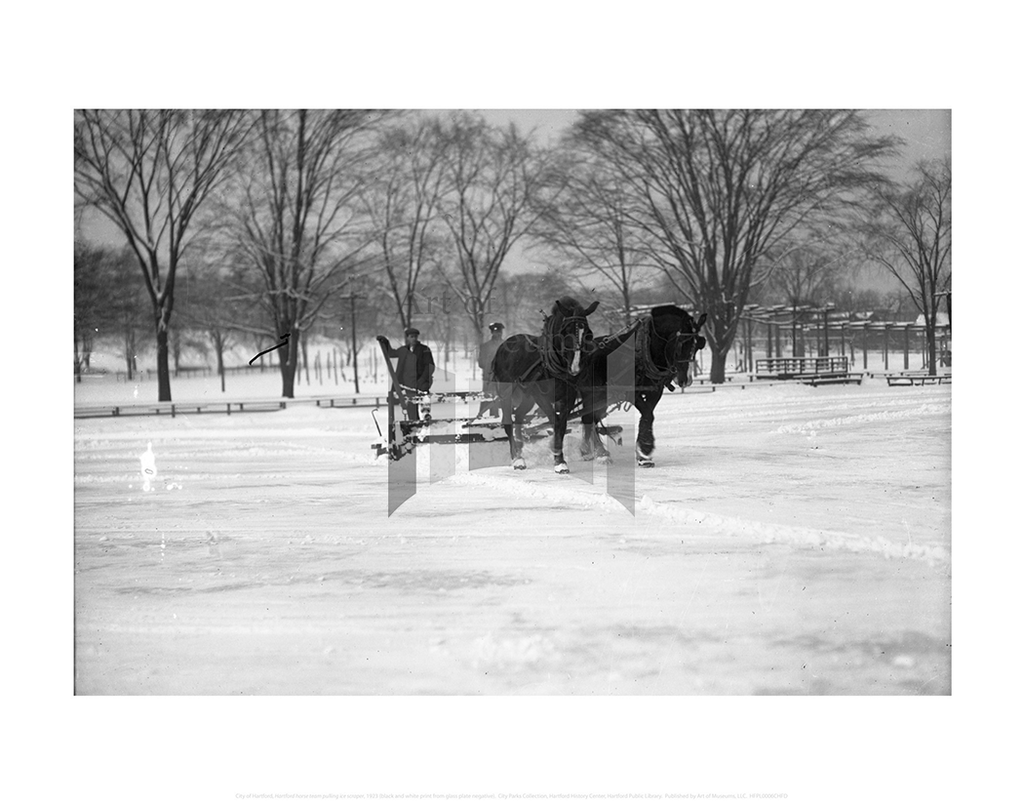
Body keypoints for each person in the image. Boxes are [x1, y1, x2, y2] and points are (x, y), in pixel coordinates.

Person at [377, 327, 435, 424]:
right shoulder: (403, 350)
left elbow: (430, 366)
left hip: (421, 384)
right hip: (408, 385)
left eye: (415, 337)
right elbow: (391, 353)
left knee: (424, 405)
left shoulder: (424, 350)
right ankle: (414, 429)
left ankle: (425, 424)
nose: (414, 339)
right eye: (411, 337)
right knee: (411, 411)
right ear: (407, 338)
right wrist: (385, 342)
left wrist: (422, 379)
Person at [476, 321, 504, 417]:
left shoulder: (507, 346)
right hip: (489, 378)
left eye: (499, 331)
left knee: (506, 400)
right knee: (487, 399)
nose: (498, 333)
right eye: (496, 331)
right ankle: (483, 417)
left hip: (504, 379)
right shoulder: (485, 347)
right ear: (492, 332)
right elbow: (481, 363)